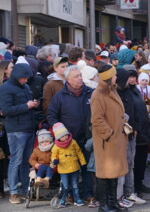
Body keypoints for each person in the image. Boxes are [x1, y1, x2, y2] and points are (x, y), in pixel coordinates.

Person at [47, 65, 94, 202]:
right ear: (68, 79)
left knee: (86, 167)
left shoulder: (90, 92)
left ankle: (88, 193)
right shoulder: (60, 96)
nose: (80, 78)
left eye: (80, 75)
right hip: (68, 141)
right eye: (76, 76)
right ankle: (69, 194)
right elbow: (51, 116)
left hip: (87, 138)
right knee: (68, 169)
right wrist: (60, 132)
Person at [91, 64, 128, 212]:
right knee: (105, 174)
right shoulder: (99, 94)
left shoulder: (111, 90)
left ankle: (112, 203)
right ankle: (104, 205)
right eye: (113, 75)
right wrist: (110, 134)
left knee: (114, 173)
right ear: (108, 78)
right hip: (106, 142)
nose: (116, 77)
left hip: (115, 140)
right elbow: (97, 119)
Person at [0, 63, 39, 204]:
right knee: (16, 161)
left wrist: (34, 104)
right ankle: (13, 193)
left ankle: (24, 191)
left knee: (25, 161)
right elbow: (6, 110)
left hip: (28, 128)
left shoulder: (26, 87)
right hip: (16, 130)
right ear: (17, 76)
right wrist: (27, 106)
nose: (26, 80)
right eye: (24, 78)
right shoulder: (5, 88)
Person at [116, 68, 150, 204]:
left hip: (141, 129)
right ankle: (131, 189)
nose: (131, 80)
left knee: (140, 158)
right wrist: (134, 127)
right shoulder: (124, 92)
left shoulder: (135, 90)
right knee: (132, 161)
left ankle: (138, 183)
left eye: (133, 77)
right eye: (129, 77)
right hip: (131, 131)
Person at [51, 123, 86, 207]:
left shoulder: (73, 142)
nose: (65, 137)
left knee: (75, 185)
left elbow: (79, 152)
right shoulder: (56, 146)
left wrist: (83, 162)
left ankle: (77, 199)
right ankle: (63, 200)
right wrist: (54, 161)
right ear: (58, 138)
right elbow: (53, 155)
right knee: (65, 186)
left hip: (74, 167)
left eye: (66, 135)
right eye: (62, 137)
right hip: (63, 169)